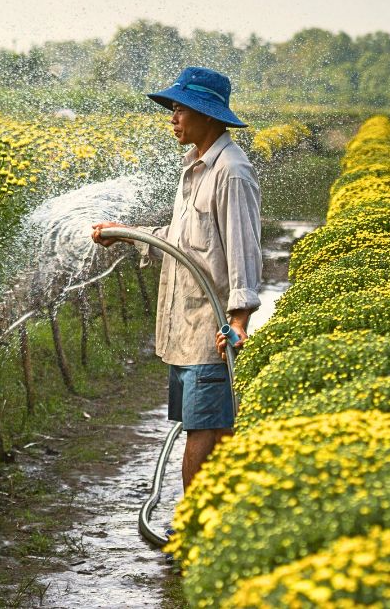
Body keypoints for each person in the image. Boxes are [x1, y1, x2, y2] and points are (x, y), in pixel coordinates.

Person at [92, 66, 262, 489]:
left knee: (203, 432)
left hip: (212, 331)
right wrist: (126, 235)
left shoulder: (231, 172)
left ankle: (193, 525)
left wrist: (239, 321)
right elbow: (182, 240)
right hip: (186, 326)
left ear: (207, 115)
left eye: (180, 109)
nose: (172, 118)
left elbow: (244, 250)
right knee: (214, 427)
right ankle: (213, 522)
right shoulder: (194, 170)